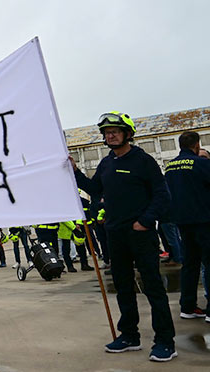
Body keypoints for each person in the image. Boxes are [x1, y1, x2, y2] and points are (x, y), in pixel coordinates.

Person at [72, 111, 176, 362]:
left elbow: (163, 195)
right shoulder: (107, 162)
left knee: (153, 288)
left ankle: (165, 341)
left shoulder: (143, 161)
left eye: (115, 131)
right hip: (115, 234)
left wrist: (145, 221)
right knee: (123, 287)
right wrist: (74, 172)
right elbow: (94, 188)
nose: (110, 135)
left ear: (128, 134)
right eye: (107, 132)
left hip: (140, 234)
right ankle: (129, 335)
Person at [163, 131, 210, 321]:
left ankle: (188, 306)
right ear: (196, 145)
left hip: (182, 222)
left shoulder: (170, 167)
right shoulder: (201, 163)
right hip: (204, 220)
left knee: (190, 264)